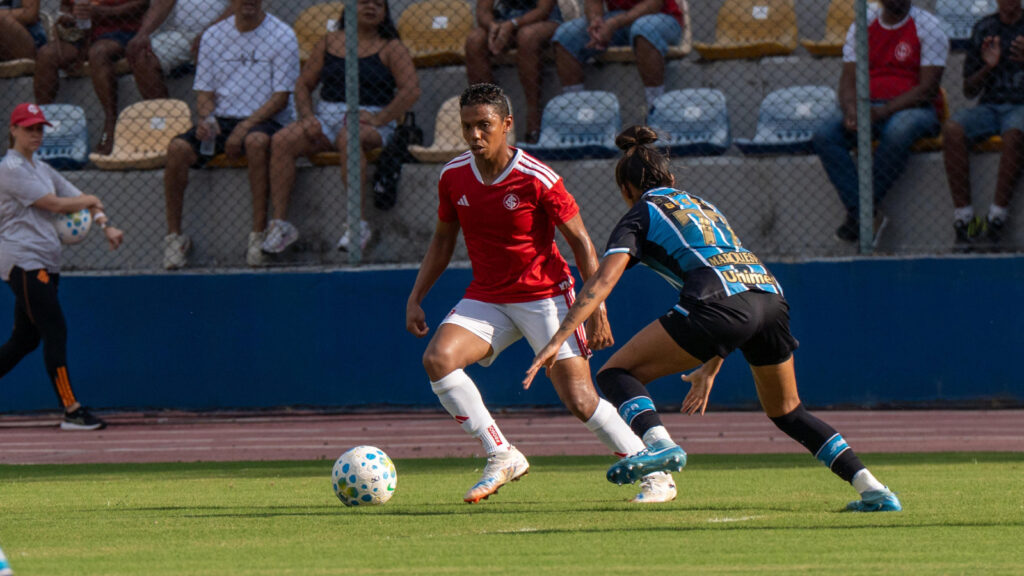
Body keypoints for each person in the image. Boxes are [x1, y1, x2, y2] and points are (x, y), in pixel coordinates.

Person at [526, 125, 903, 512]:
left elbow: (602, 282)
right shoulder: (706, 207)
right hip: (769, 295)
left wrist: (559, 338)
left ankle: (661, 446)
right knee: (789, 411)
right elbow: (733, 283)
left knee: (615, 374)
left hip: (719, 302)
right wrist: (713, 362)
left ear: (626, 191)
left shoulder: (640, 214)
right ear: (670, 178)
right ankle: (874, 490)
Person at [406, 84, 676, 505]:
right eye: (467, 127)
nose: (475, 135)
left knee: (580, 399)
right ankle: (501, 453)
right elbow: (443, 240)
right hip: (488, 296)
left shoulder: (538, 177)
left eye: (484, 125)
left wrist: (596, 308)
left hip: (546, 296)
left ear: (506, 125)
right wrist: (416, 295)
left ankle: (653, 470)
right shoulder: (453, 176)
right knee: (438, 360)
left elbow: (583, 243)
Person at [0, 103, 125, 431]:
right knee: (55, 329)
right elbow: (55, 204)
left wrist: (105, 224)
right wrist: (88, 201)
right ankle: (72, 410)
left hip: (46, 262)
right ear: (13, 130)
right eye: (29, 129)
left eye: (40, 129)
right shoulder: (10, 169)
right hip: (24, 263)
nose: (36, 135)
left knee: (24, 341)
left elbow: (80, 195)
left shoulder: (42, 169)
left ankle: (71, 410)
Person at [262, 0, 419, 256]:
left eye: (379, 4)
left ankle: (357, 224)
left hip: (371, 121)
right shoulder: (329, 42)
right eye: (364, 3)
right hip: (327, 118)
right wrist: (307, 117)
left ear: (385, 12)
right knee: (282, 140)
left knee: (351, 136)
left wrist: (380, 119)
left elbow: (411, 90)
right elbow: (302, 85)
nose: (372, 7)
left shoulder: (392, 48)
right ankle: (281, 226)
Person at [161, 0, 299, 269]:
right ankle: (174, 239)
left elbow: (281, 98)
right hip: (222, 120)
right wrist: (207, 119)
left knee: (256, 142)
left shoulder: (283, 34)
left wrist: (245, 126)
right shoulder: (214, 35)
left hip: (264, 118)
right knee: (177, 149)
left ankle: (257, 237)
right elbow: (204, 93)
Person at [812, 0, 948, 247]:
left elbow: (927, 89)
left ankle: (860, 214)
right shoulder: (863, 26)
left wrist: (883, 111)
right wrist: (852, 110)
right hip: (868, 106)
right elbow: (847, 80)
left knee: (899, 131)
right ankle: (865, 214)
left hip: (913, 109)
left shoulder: (929, 25)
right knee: (825, 134)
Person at [943, 0, 1024, 253]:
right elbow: (969, 90)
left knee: (1014, 134)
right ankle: (964, 220)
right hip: (989, 107)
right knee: (953, 129)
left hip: (1021, 106)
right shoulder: (983, 28)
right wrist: (988, 67)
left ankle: (995, 220)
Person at [33, 0, 147, 155]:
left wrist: (101, 12)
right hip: (82, 36)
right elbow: (66, 7)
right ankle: (39, 125)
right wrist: (69, 16)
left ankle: (111, 123)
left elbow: (141, 4)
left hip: (120, 32)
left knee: (98, 52)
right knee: (46, 55)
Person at [551, 0, 684, 113]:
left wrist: (614, 23)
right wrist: (596, 21)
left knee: (644, 28)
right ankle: (576, 113)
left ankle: (655, 110)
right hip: (619, 19)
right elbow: (593, 2)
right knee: (566, 35)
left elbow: (654, 4)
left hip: (660, 16)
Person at [465, 0, 561, 144]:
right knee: (474, 40)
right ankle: (486, 115)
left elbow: (543, 10)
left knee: (527, 36)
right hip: (504, 20)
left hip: (544, 20)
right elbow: (483, 11)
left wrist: (513, 24)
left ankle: (533, 116)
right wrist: (493, 26)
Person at [125, 0, 233, 106]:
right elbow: (162, 3)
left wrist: (210, 32)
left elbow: (238, 5)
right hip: (181, 34)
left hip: (221, 33)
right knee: (141, 54)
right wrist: (143, 33)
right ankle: (166, 118)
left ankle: (218, 119)